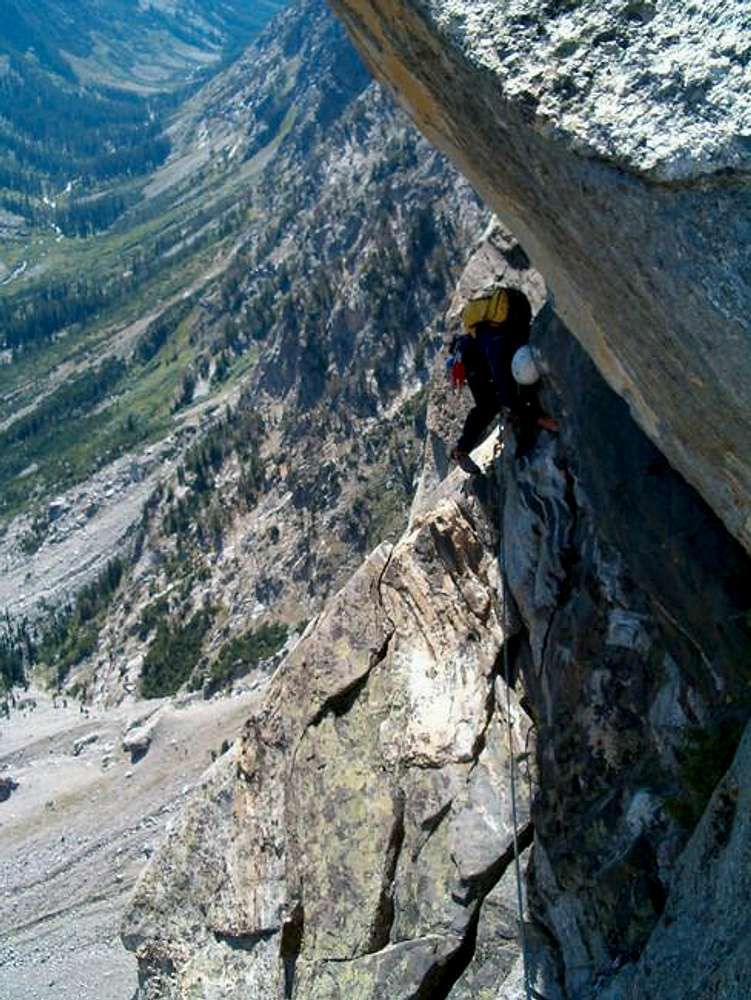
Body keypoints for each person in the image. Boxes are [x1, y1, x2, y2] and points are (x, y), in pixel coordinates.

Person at [448, 287, 557, 473]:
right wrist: (537, 418)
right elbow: (504, 390)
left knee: (507, 393)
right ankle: (461, 451)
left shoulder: (510, 324)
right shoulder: (497, 342)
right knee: (489, 404)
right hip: (472, 360)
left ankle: (518, 415)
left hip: (480, 348)